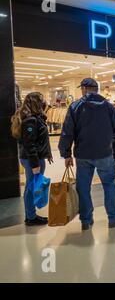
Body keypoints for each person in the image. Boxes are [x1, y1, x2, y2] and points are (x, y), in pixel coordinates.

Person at [59, 78, 115, 231]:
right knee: (109, 185)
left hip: (83, 154)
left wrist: (66, 153)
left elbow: (67, 132)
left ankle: (86, 220)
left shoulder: (75, 107)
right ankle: (114, 217)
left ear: (84, 88)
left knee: (83, 187)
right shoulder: (109, 107)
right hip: (104, 153)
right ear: (96, 89)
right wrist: (110, 140)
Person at [11, 92, 52, 226]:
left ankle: (31, 215)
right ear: (36, 103)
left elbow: (41, 140)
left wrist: (48, 154)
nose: (43, 103)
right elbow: (30, 144)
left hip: (34, 158)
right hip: (32, 160)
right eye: (41, 101)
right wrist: (35, 165)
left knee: (32, 186)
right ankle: (31, 217)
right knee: (30, 187)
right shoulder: (30, 120)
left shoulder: (35, 117)